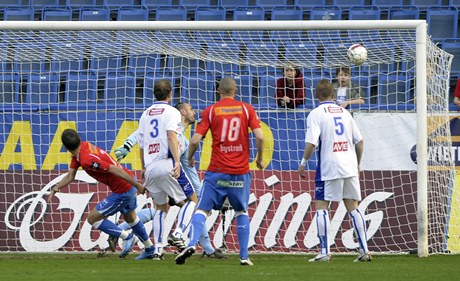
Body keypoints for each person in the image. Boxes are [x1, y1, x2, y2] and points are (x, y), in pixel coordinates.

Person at [111, 102, 227, 259]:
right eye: (191, 109)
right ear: (183, 112)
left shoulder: (184, 142)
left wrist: (199, 191)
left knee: (163, 209)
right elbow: (140, 133)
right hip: (164, 169)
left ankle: (125, 232)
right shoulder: (168, 127)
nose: (194, 112)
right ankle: (204, 247)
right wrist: (127, 145)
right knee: (186, 207)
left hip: (165, 173)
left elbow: (190, 171)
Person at [175, 77, 265, 266]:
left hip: (217, 171)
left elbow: (194, 140)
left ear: (218, 91)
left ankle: (191, 244)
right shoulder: (247, 109)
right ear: (236, 90)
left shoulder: (210, 111)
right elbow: (260, 136)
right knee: (241, 211)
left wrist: (190, 158)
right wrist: (259, 158)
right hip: (240, 172)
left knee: (202, 209)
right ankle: (243, 257)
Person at [47, 129, 155, 260]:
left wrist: (137, 184)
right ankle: (149, 249)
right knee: (131, 218)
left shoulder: (87, 159)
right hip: (126, 183)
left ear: (65, 147)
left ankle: (128, 237)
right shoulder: (82, 149)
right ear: (79, 139)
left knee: (93, 218)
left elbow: (114, 168)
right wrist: (56, 188)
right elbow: (71, 175)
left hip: (123, 189)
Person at [297, 79, 371, 262]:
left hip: (329, 166)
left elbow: (311, 143)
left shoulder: (316, 114)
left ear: (316, 95)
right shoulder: (345, 112)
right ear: (332, 94)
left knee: (322, 206)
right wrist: (358, 163)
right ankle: (364, 250)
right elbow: (360, 141)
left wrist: (303, 162)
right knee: (353, 207)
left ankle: (324, 252)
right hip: (349, 165)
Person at [138, 79, 201, 260]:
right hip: (166, 164)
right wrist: (177, 162)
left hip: (149, 168)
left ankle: (158, 249)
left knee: (160, 208)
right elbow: (172, 136)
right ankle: (179, 233)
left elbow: (141, 145)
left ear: (154, 93)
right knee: (192, 200)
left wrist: (143, 168)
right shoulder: (172, 112)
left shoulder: (145, 114)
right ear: (170, 93)